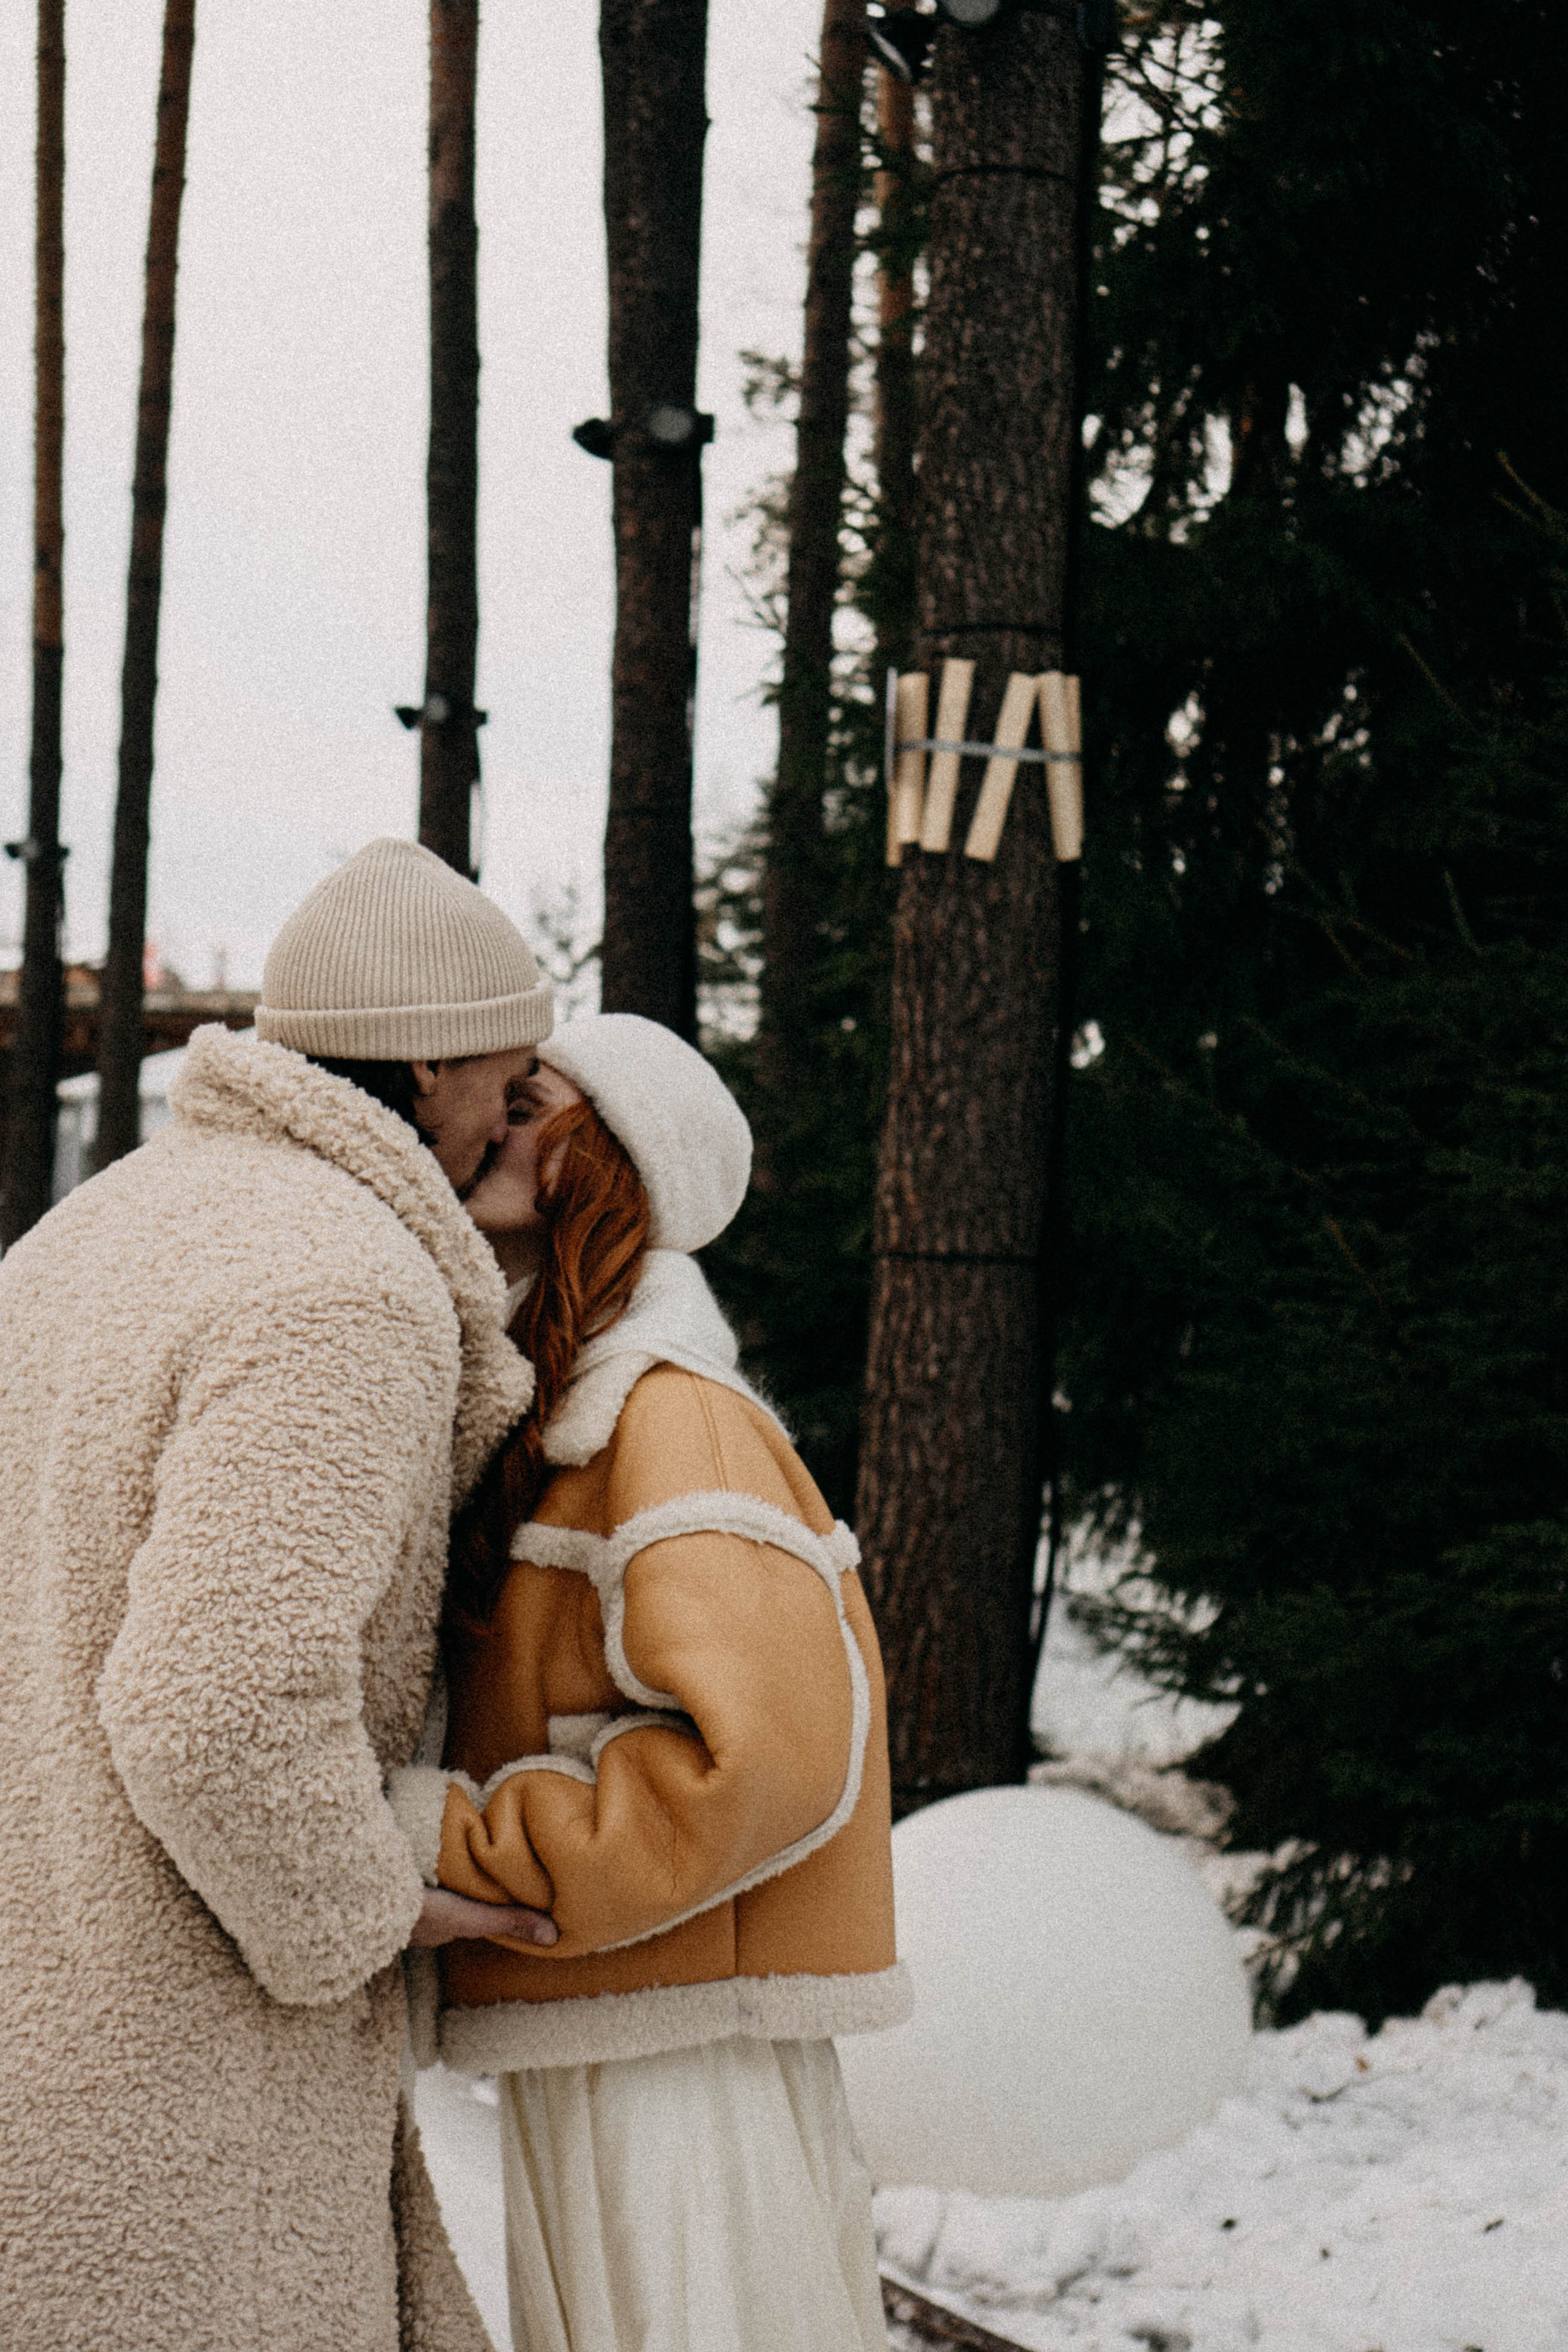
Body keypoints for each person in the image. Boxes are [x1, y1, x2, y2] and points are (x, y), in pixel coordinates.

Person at [0, 837, 559, 2352]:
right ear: (430, 1069)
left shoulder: (93, 1232)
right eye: (508, 1081)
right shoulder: (345, 1286)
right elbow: (215, 1704)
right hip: (171, 2094)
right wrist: (369, 1903)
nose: (515, 1115)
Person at [389, 1012, 911, 2352]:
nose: (489, 1120)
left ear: (620, 1159)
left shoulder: (672, 1414)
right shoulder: (562, 1417)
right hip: (619, 2019)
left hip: (683, 2054)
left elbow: (765, 1759)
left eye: (533, 1100)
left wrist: (454, 1839)